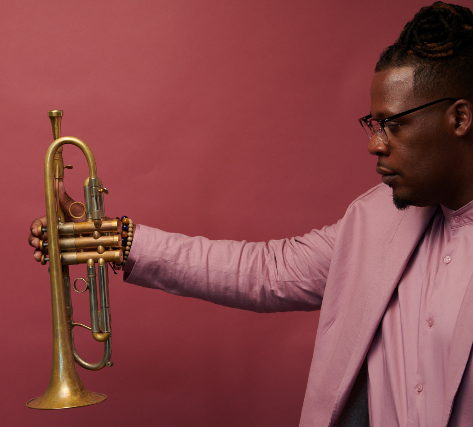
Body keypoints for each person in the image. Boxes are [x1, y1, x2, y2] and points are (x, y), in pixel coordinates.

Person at [28, 2, 473, 426]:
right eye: (373, 126)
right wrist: (111, 238)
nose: (375, 144)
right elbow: (267, 270)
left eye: (394, 125)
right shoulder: (372, 220)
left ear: (459, 118)